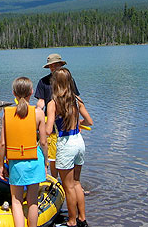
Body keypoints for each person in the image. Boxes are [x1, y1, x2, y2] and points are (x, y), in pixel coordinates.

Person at [46, 68, 93, 227]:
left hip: (66, 144)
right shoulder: (76, 99)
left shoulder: (53, 103)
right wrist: (78, 123)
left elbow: (47, 129)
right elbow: (89, 121)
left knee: (68, 186)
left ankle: (72, 221)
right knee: (77, 183)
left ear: (55, 83)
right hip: (79, 141)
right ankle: (82, 219)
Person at [0, 77, 48, 227]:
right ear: (31, 92)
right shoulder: (38, 113)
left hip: (16, 162)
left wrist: (1, 165)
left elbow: (2, 144)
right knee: (33, 201)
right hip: (35, 159)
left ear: (13, 93)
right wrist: (45, 162)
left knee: (17, 201)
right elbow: (44, 142)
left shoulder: (7, 114)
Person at [34, 53, 80, 178]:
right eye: (51, 66)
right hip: (51, 121)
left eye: (56, 65)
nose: (53, 68)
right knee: (52, 154)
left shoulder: (69, 80)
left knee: (70, 150)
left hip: (67, 121)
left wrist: (78, 119)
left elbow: (76, 99)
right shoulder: (43, 82)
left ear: (61, 65)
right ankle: (55, 180)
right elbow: (41, 102)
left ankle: (73, 181)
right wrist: (36, 115)